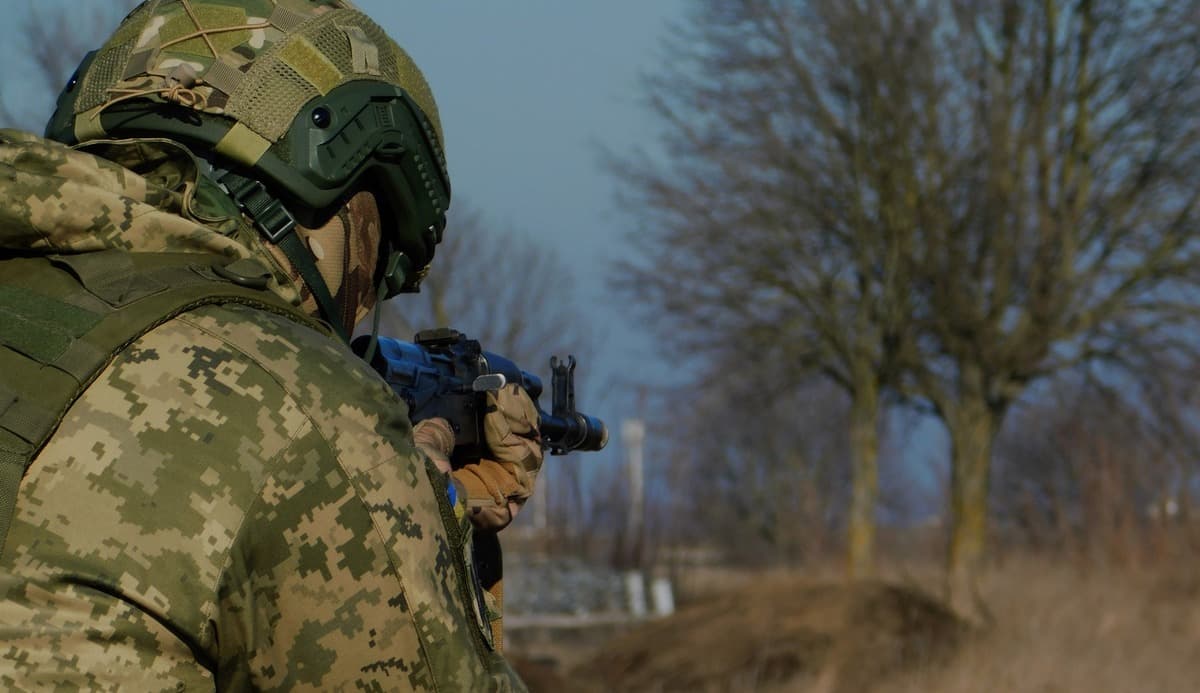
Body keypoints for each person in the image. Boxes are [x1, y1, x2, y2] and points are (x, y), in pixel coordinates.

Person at [0, 1, 543, 689]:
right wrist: (440, 525)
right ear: (342, 190)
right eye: (376, 269)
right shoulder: (311, 408)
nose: (367, 307)